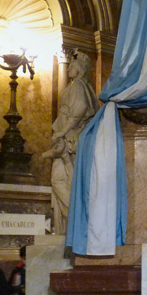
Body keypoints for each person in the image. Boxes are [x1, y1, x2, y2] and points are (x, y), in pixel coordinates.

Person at [41, 52, 100, 235]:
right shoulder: (79, 85)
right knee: (65, 180)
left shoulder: (78, 86)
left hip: (71, 138)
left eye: (73, 66)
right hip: (71, 138)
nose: (69, 68)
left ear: (80, 70)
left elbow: (80, 109)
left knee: (60, 180)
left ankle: (78, 217)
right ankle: (74, 220)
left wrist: (63, 130)